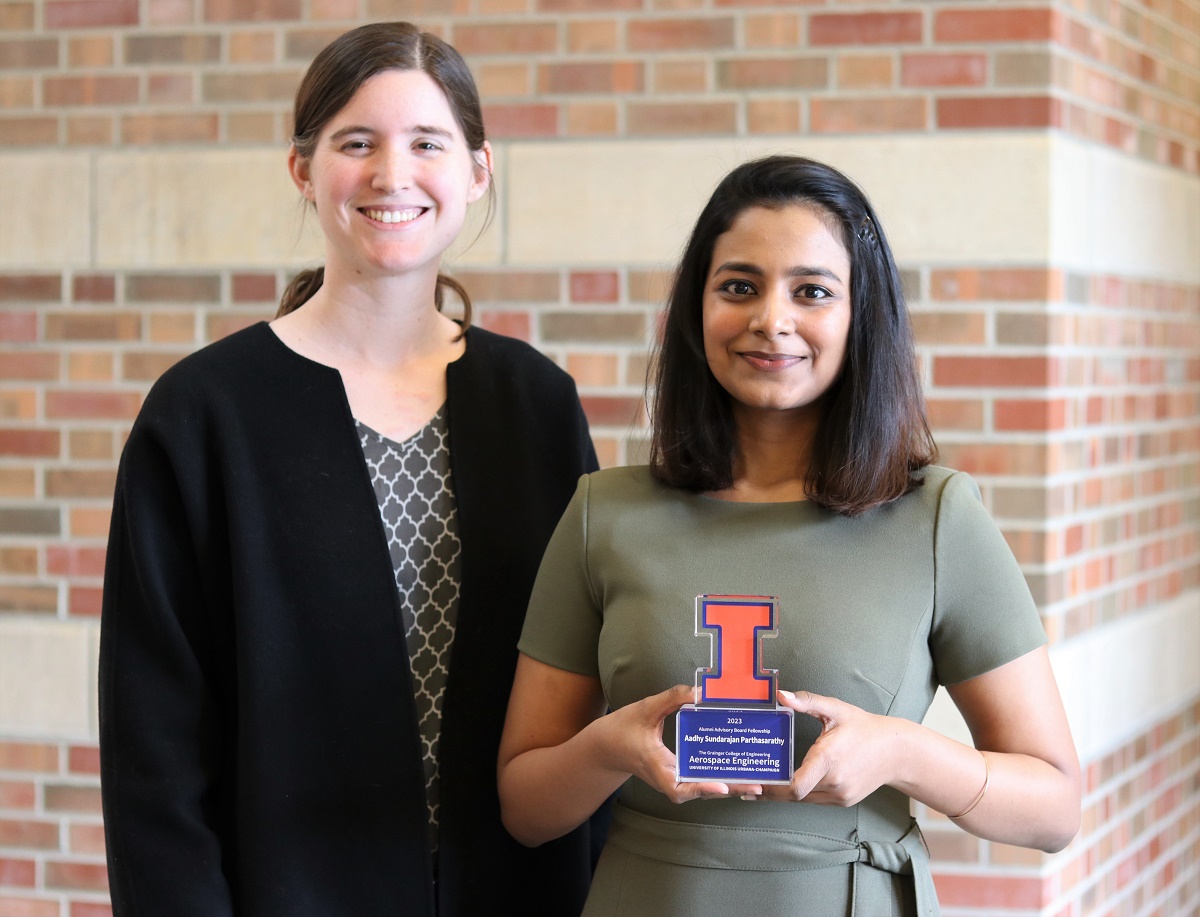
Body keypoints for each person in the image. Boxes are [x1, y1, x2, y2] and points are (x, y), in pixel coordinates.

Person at [99, 22, 601, 917]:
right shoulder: (204, 415)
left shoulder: (536, 406)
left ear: (478, 171)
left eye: (426, 143)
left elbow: (587, 682)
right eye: (355, 142)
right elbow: (155, 748)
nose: (390, 174)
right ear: (303, 168)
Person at [497, 155, 1080, 916]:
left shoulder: (938, 516)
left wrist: (902, 751)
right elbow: (525, 807)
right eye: (738, 286)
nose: (771, 318)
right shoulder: (602, 513)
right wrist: (609, 745)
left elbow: (1055, 808)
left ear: (858, 314)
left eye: (812, 291)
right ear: (695, 308)